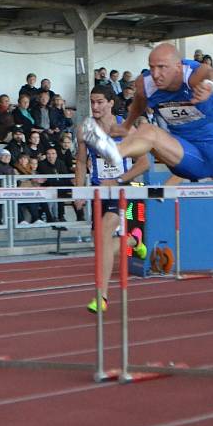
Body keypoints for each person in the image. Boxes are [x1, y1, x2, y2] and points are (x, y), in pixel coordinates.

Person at [82, 44, 213, 293]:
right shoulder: (146, 83)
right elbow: (140, 101)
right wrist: (126, 125)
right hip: (188, 153)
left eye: (162, 67)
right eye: (152, 67)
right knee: (149, 131)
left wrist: (209, 86)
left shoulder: (191, 73)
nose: (156, 73)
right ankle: (113, 151)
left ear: (177, 65)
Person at [75, 86, 149, 313]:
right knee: (99, 243)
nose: (95, 107)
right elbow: (80, 163)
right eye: (92, 102)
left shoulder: (125, 130)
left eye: (99, 102)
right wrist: (79, 190)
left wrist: (118, 180)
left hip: (122, 189)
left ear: (110, 103)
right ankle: (133, 241)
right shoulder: (85, 130)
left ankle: (102, 296)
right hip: (98, 191)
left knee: (105, 231)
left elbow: (144, 163)